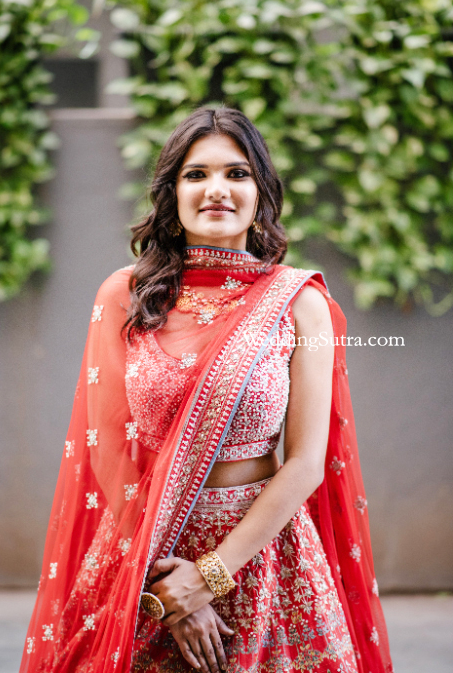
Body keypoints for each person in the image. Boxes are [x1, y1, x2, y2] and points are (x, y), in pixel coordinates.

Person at [20, 107, 393, 673]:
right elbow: (108, 451)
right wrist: (170, 591)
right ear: (172, 193)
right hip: (146, 553)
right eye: (196, 174)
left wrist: (208, 577)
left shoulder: (301, 303)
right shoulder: (126, 295)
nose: (217, 189)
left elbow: (306, 464)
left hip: (265, 555)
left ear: (261, 192)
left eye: (237, 173)